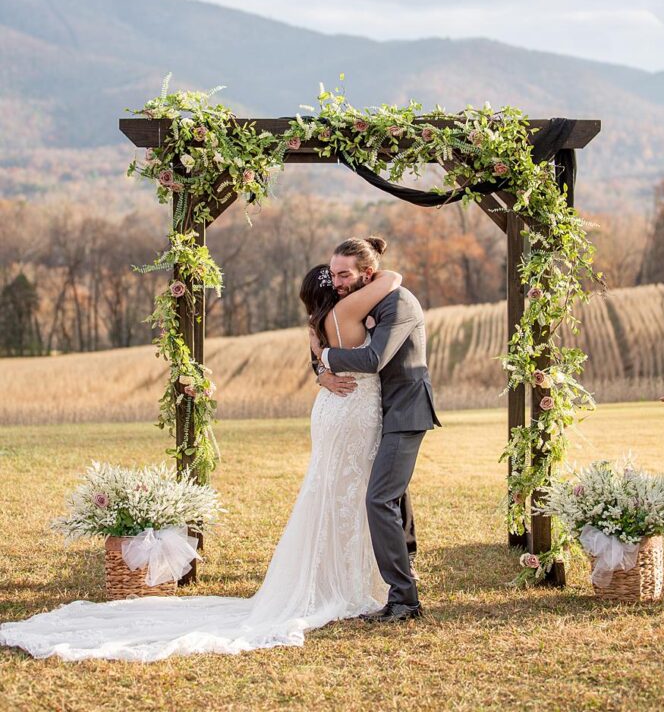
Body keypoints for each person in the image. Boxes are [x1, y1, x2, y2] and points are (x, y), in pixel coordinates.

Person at [0, 257, 402, 662]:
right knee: (348, 492)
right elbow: (393, 278)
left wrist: (323, 368)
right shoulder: (347, 309)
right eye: (336, 278)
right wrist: (366, 270)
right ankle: (349, 584)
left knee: (334, 492)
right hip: (352, 409)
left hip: (334, 409)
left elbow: (322, 358)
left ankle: (341, 579)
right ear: (332, 289)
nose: (342, 283)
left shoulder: (317, 324)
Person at [311, 237, 440, 622]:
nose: (336, 281)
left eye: (344, 274)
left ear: (368, 273)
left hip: (405, 412)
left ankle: (405, 599)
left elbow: (373, 358)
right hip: (377, 413)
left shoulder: (399, 302)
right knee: (393, 495)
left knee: (379, 498)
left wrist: (327, 357)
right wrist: (321, 372)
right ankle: (407, 566)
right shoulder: (364, 301)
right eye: (332, 274)